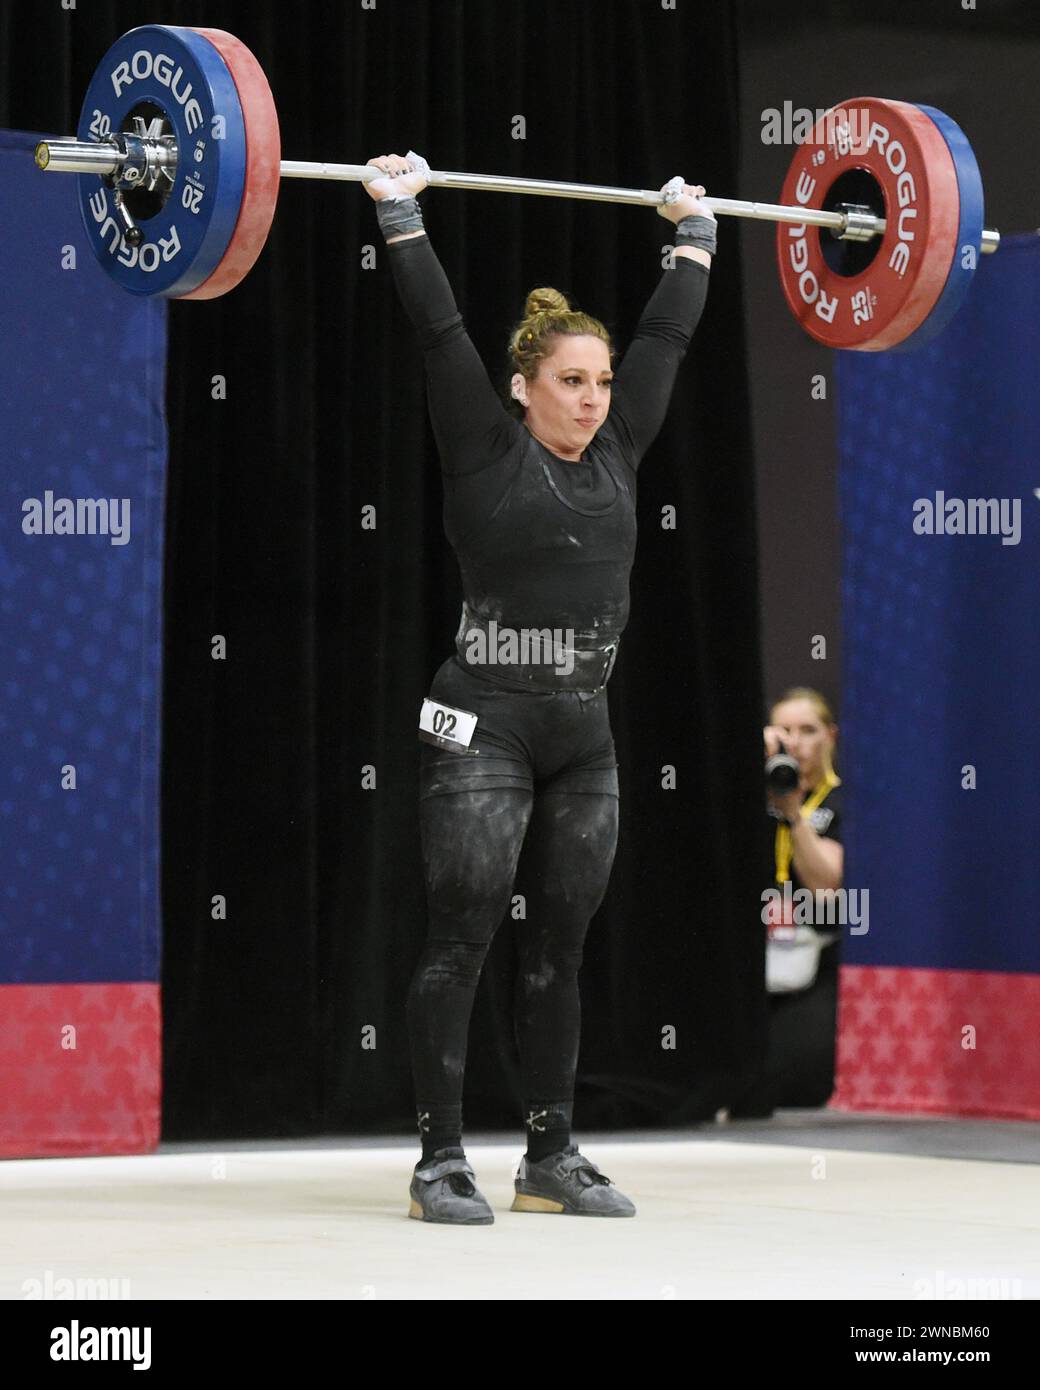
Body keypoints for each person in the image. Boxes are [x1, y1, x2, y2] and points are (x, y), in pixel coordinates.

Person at [364, 150, 715, 1224]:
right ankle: (437, 1161)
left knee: (558, 945)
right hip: (481, 725)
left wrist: (691, 234)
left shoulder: (617, 454)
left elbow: (664, 335)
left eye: (599, 382)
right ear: (522, 388)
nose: (592, 397)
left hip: (583, 736)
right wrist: (397, 213)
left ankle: (548, 1156)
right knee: (463, 935)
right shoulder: (481, 445)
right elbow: (435, 330)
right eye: (571, 380)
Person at [730, 687, 844, 1117]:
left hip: (815, 959)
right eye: (785, 731)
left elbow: (827, 888)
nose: (795, 741)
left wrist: (793, 812)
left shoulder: (841, 798)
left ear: (830, 736)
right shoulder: (746, 802)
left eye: (808, 730)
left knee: (791, 1076)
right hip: (754, 961)